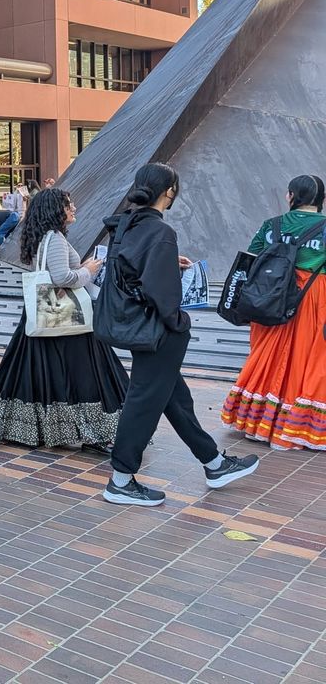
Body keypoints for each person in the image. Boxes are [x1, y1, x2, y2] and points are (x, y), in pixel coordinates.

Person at [100, 163, 259, 506]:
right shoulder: (159, 232)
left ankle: (214, 463)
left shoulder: (128, 223)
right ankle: (120, 480)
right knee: (143, 403)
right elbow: (160, 292)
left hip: (138, 325)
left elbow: (133, 271)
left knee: (175, 399)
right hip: (158, 329)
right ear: (169, 192)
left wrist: (169, 264)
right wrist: (178, 320)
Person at [0, 188, 126, 452]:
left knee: (37, 372)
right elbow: (61, 278)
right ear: (56, 211)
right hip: (65, 317)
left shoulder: (44, 237)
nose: (74, 208)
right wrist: (87, 271)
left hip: (46, 313)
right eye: (69, 205)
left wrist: (80, 271)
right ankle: (94, 432)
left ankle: (32, 426)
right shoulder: (54, 238)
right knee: (85, 374)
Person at [221, 174, 326, 451]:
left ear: (290, 196)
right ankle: (296, 428)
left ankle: (258, 423)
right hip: (313, 300)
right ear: (322, 200)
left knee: (268, 355)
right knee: (306, 361)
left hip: (270, 296)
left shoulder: (272, 225)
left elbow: (251, 259)